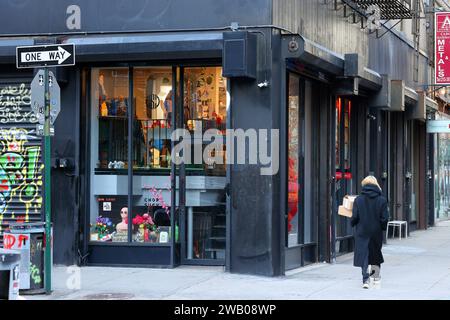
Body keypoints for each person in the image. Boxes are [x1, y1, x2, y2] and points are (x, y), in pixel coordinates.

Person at [351, 176, 389, 289]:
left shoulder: (358, 199)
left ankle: (365, 279)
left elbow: (355, 217)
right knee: (375, 253)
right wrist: (382, 227)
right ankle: (375, 279)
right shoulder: (382, 199)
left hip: (362, 231)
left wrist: (353, 223)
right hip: (375, 231)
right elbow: (384, 218)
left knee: (364, 255)